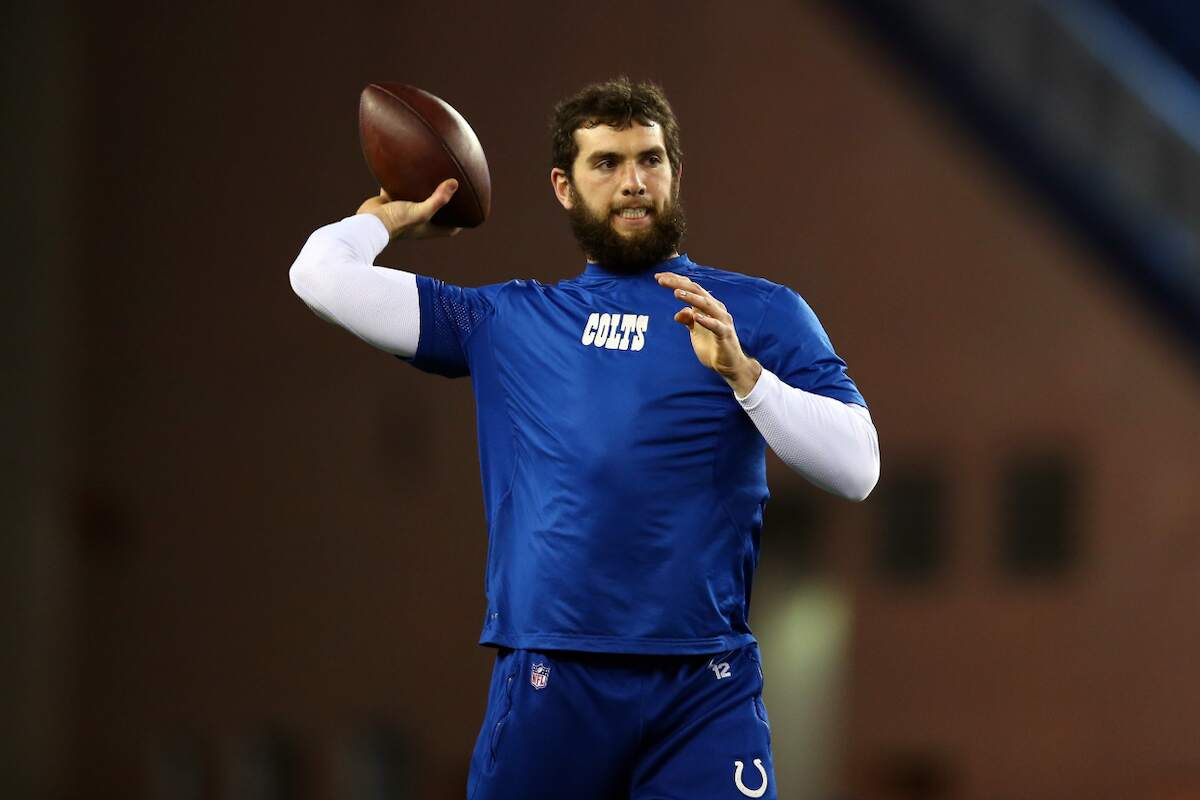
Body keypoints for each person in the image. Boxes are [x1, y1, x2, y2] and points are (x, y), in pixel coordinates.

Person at [289, 76, 879, 800]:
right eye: (607, 163)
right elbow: (319, 275)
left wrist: (748, 376)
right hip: (551, 682)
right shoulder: (504, 322)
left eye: (649, 160)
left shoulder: (756, 313)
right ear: (564, 188)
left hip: (705, 689)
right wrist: (383, 221)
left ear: (675, 173)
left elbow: (858, 469)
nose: (633, 182)